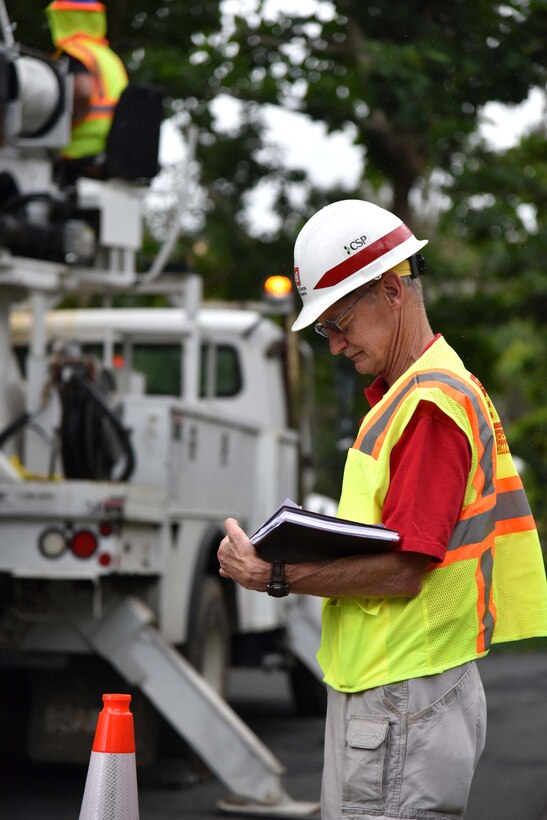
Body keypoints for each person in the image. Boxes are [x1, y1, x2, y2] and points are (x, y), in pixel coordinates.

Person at [218, 199, 547, 820]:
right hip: (406, 691)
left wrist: (277, 574)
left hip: (403, 694)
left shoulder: (427, 407)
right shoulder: (420, 395)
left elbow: (403, 568)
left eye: (339, 322)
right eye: (324, 330)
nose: (336, 345)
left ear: (392, 291)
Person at [45, 0, 128, 182]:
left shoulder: (76, 52)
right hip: (113, 152)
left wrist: (59, 126)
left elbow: (82, 91)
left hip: (78, 152)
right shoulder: (110, 58)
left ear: (61, 18)